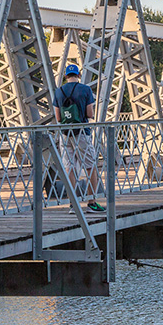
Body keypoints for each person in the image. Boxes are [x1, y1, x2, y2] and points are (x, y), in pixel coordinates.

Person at [53, 64, 105, 213]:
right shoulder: (85, 89)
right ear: (78, 75)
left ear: (65, 76)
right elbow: (90, 114)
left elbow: (58, 117)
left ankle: (72, 204)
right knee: (90, 166)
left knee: (69, 167)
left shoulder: (59, 91)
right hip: (82, 132)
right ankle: (92, 202)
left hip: (65, 134)